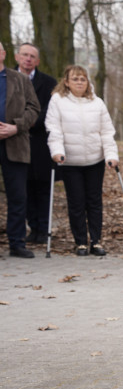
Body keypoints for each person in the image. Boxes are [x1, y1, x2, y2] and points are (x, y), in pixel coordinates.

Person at [45, 66, 119, 256]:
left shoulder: (97, 103)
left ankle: (96, 241)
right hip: (70, 161)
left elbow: (107, 132)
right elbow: (54, 129)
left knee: (94, 202)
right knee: (76, 202)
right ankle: (80, 242)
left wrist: (111, 155)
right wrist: (57, 151)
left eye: (83, 79)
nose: (79, 82)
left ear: (88, 82)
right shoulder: (57, 101)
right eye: (75, 79)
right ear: (67, 82)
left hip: (95, 160)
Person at [0, 40, 41, 258]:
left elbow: (34, 108)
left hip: (14, 143)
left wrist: (16, 127)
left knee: (17, 196)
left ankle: (16, 243)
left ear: (4, 54)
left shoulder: (20, 79)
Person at [15, 43, 57, 245]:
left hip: (41, 141)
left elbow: (50, 110)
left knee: (43, 186)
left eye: (32, 56)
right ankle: (32, 227)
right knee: (25, 187)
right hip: (13, 141)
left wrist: (26, 123)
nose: (28, 59)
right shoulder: (6, 78)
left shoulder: (48, 83)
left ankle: (44, 228)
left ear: (38, 61)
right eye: (24, 55)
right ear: (17, 57)